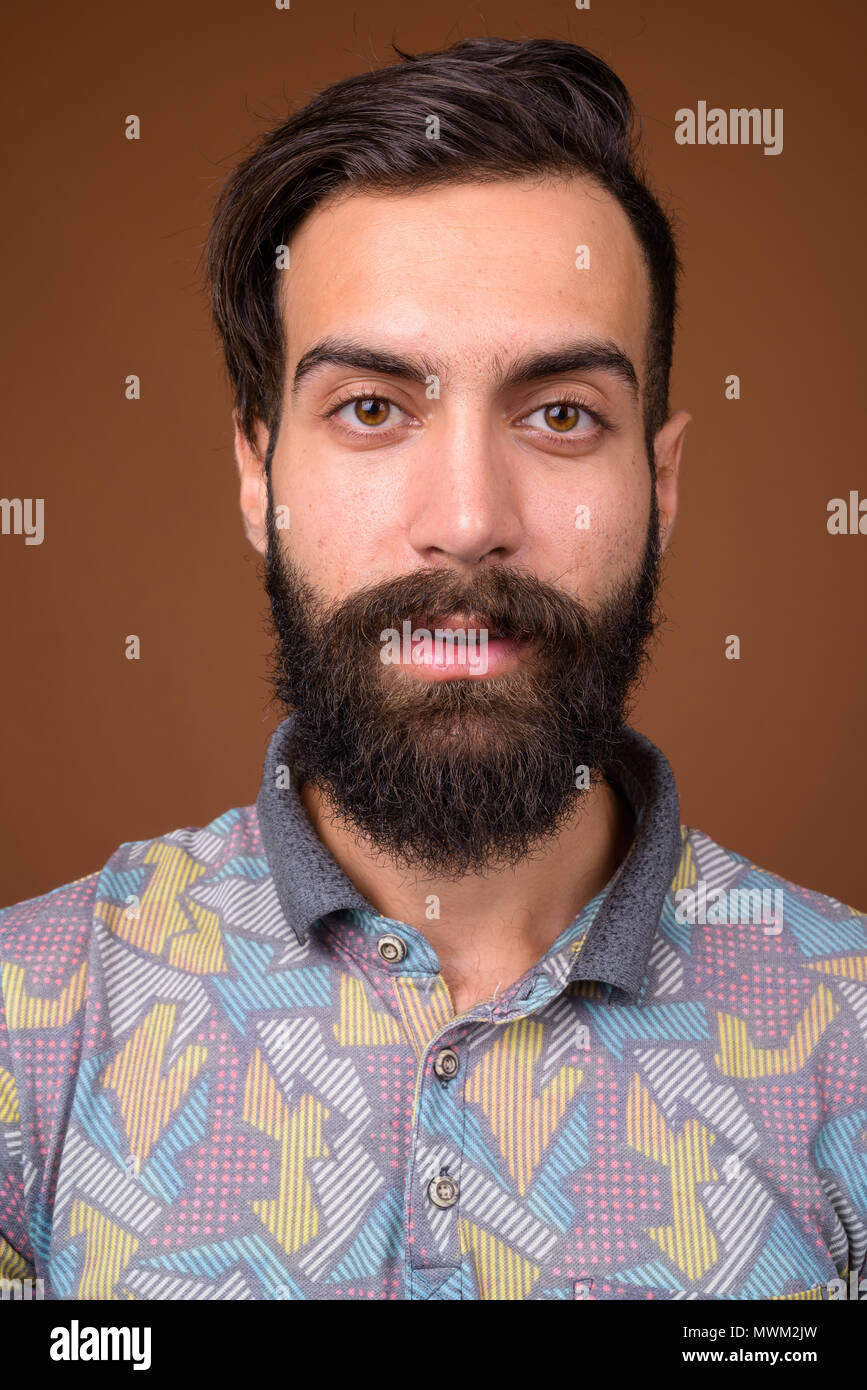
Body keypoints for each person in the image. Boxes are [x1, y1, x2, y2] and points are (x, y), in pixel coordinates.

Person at [1, 36, 864, 1303]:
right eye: (371, 407)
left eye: (561, 413)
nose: (467, 518)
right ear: (258, 473)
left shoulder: (847, 1041)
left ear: (661, 480)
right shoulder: (31, 1027)